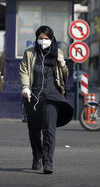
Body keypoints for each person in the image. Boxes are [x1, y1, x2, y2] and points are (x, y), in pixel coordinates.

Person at [19, 25, 74, 174]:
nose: (43, 41)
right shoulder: (29, 53)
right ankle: (37, 156)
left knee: (49, 130)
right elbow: (24, 70)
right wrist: (25, 87)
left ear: (52, 39)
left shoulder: (58, 52)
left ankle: (48, 162)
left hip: (53, 96)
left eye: (46, 39)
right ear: (36, 39)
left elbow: (65, 75)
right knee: (34, 131)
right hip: (34, 96)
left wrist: (63, 64)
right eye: (40, 38)